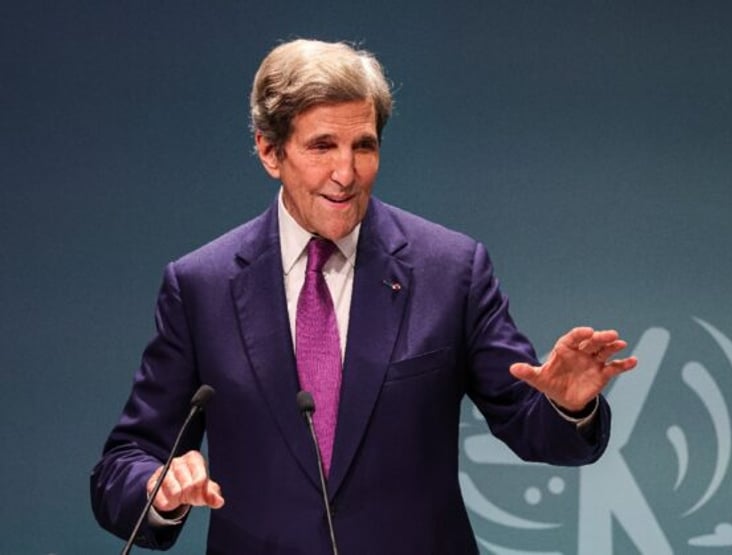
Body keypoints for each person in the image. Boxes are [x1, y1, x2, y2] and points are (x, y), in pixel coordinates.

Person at [91, 39, 637, 554]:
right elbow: (124, 462)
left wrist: (569, 407)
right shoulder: (201, 286)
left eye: (364, 146)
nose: (346, 173)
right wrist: (156, 487)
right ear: (269, 151)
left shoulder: (450, 270)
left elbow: (531, 423)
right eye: (322, 146)